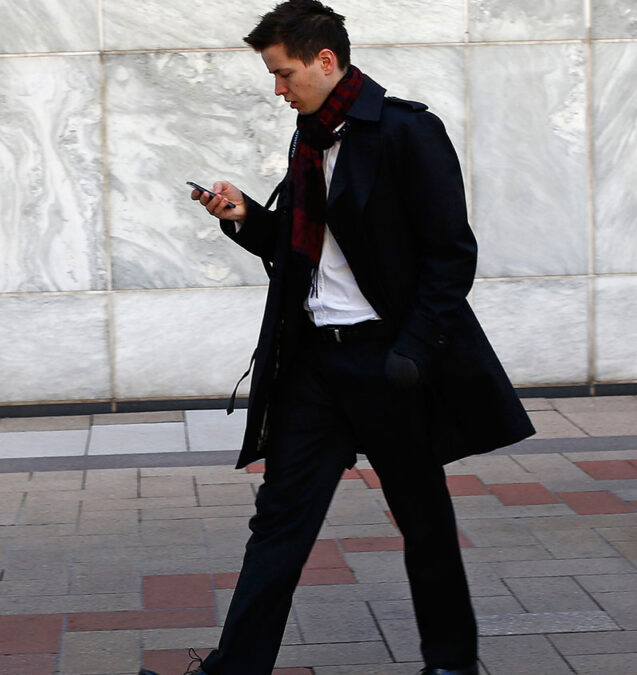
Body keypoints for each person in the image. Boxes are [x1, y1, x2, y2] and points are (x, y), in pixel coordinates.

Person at [144, 2, 534, 674]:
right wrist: (245, 220)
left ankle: (451, 662)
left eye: (284, 73)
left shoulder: (407, 132)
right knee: (280, 522)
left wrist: (413, 349)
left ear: (327, 60)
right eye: (272, 74)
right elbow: (309, 254)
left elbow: (451, 256)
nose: (277, 88)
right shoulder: (308, 134)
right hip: (316, 365)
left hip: (389, 361)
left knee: (422, 518)